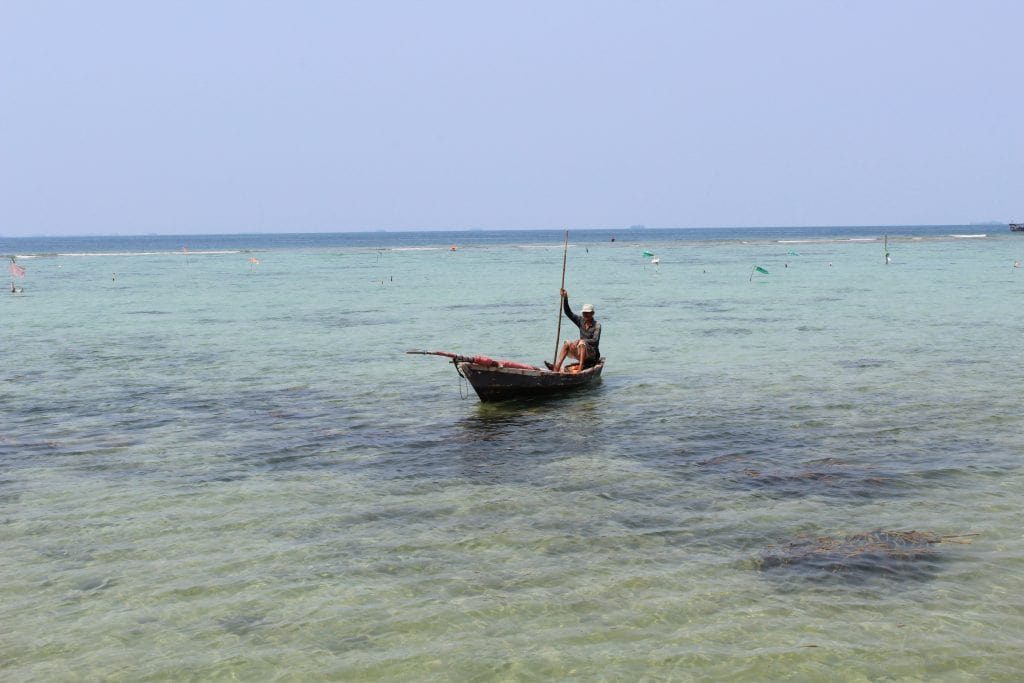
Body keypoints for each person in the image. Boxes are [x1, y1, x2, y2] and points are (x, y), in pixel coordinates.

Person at [549, 289, 601, 373]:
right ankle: (556, 368)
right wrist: (565, 298)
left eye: (588, 313)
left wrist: (582, 340)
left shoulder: (597, 325)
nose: (585, 315)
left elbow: (595, 341)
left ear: (592, 313)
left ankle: (580, 369)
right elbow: (568, 312)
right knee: (567, 343)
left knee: (581, 343)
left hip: (592, 355)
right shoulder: (581, 320)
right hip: (581, 352)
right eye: (584, 313)